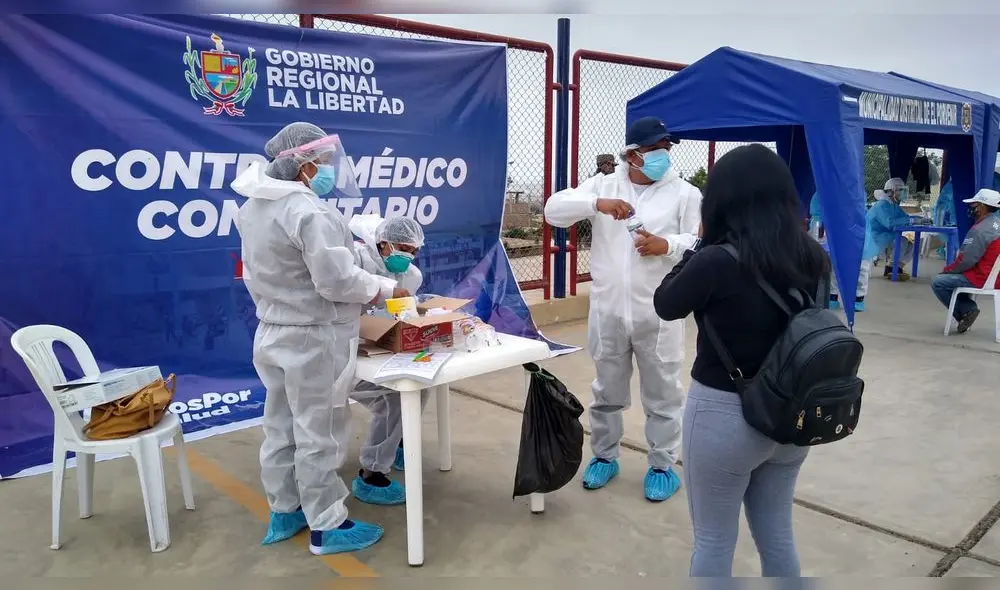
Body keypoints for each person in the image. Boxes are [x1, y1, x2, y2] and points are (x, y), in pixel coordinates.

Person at [653, 144, 829, 577]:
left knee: (714, 540)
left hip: (724, 416)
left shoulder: (717, 259)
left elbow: (666, 303)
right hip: (792, 416)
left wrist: (698, 242)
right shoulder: (812, 255)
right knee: (777, 535)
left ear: (721, 202)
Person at [232, 122, 408, 555]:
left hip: (273, 330)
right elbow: (336, 280)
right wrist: (387, 289)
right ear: (304, 165)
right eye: (324, 162)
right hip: (316, 337)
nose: (328, 170)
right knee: (320, 430)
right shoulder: (309, 211)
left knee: (280, 427)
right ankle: (327, 524)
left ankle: (286, 509)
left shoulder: (253, 207)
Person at [545, 116, 700, 502]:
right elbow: (553, 210)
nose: (663, 155)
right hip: (610, 311)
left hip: (659, 311)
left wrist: (666, 245)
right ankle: (604, 456)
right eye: (654, 149)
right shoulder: (605, 186)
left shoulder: (685, 193)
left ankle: (663, 465)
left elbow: (699, 241)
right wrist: (596, 203)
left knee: (663, 393)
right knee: (607, 391)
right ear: (632, 155)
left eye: (667, 148)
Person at [347, 214, 431, 505]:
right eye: (403, 248)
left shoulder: (412, 275)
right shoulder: (356, 261)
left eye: (414, 250)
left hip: (383, 348)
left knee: (418, 386)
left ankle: (393, 445)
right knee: (392, 399)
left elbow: (403, 315)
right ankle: (372, 473)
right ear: (384, 243)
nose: (408, 256)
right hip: (347, 350)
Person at [932, 188, 1000, 334]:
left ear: (981, 207)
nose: (970, 208)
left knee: (939, 282)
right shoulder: (996, 224)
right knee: (955, 280)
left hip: (982, 277)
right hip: (994, 276)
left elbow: (966, 260)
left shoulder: (980, 230)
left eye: (973, 205)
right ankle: (967, 309)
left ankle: (966, 312)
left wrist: (947, 270)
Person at [809, 191, 871, 312]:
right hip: (826, 228)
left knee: (861, 264)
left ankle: (858, 298)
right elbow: (817, 212)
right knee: (831, 263)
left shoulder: (856, 190)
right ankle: (831, 296)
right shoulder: (823, 190)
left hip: (854, 229)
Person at [864, 177, 915, 281]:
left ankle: (896, 268)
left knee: (912, 245)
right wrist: (910, 221)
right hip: (875, 237)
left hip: (887, 236)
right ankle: (892, 268)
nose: (903, 193)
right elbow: (889, 223)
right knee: (902, 242)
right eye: (901, 190)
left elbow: (905, 217)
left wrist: (918, 220)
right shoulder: (882, 205)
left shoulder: (893, 205)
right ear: (892, 190)